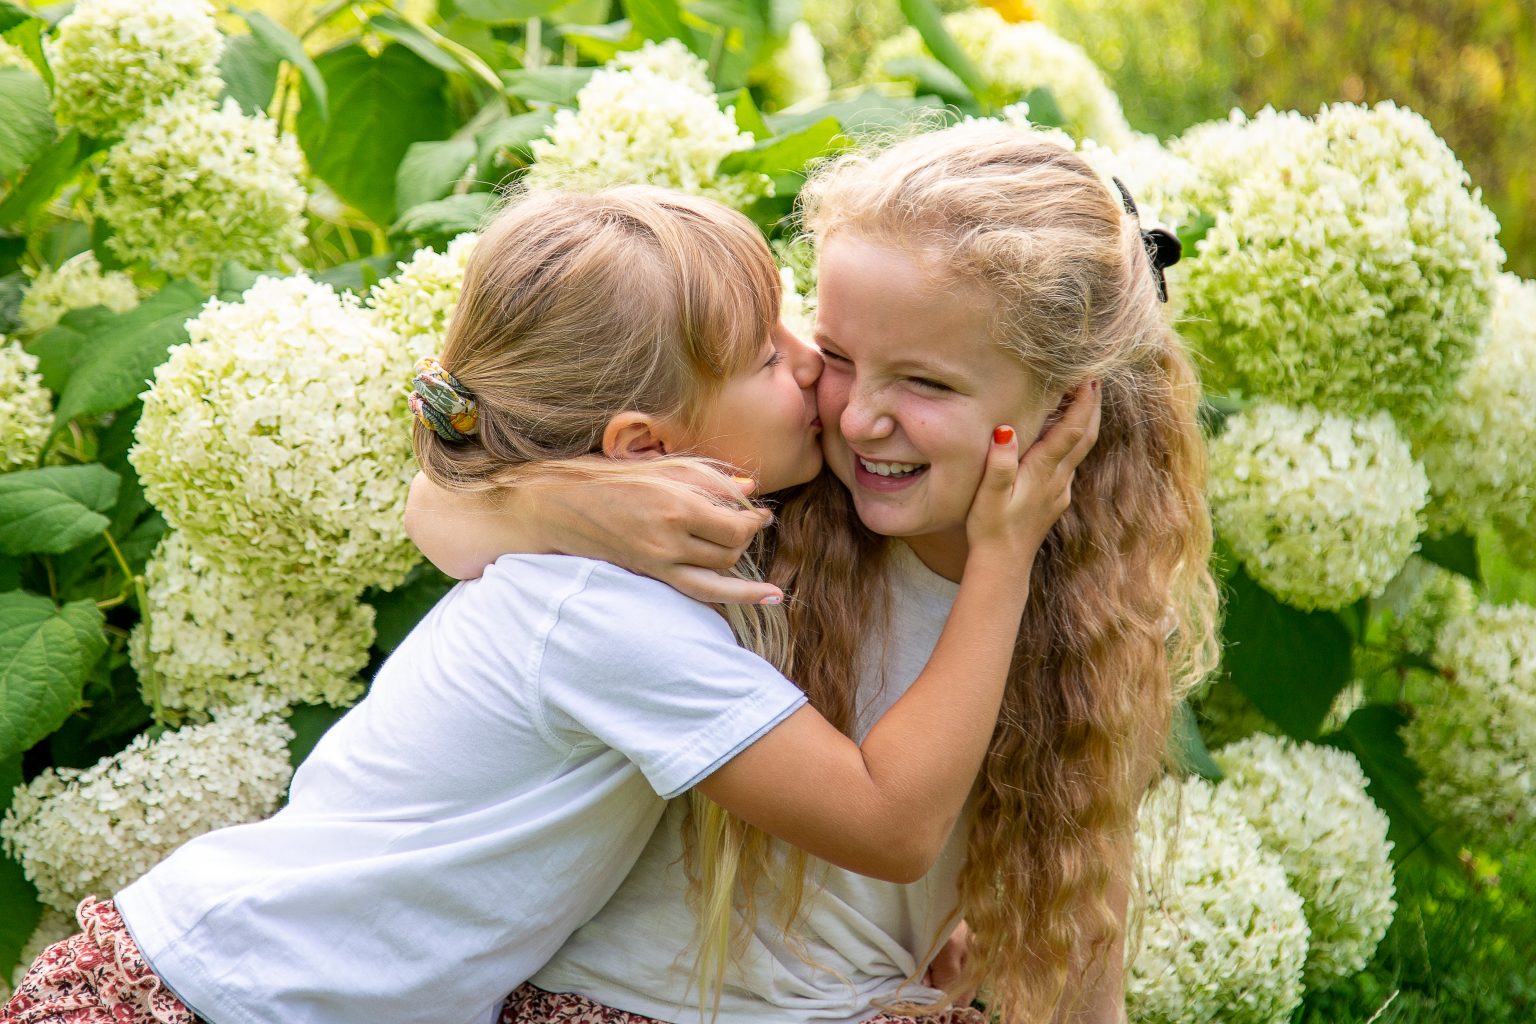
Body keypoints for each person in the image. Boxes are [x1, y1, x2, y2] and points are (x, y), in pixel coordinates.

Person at [3, 186, 1097, 1024]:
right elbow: (887, 822)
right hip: (212, 999)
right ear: (641, 446)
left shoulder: (596, 566)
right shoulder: (604, 615)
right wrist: (1005, 557)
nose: (817, 366)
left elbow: (451, 491)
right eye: (772, 353)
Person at [406, 122, 1218, 1024]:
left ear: (1068, 405)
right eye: (835, 355)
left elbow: (1081, 913)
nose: (861, 417)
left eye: (927, 385)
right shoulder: (753, 502)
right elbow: (435, 512)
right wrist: (563, 507)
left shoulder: (1084, 597)